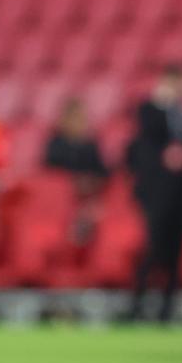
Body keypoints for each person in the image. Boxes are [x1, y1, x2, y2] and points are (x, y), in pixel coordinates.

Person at [126, 63, 182, 322]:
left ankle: (167, 306)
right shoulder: (150, 110)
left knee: (176, 250)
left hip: (178, 192)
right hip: (155, 192)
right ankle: (139, 303)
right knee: (153, 247)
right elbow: (148, 136)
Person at [42, 95, 107, 249]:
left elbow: (102, 171)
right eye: (74, 117)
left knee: (93, 210)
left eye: (81, 117)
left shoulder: (90, 144)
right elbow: (51, 171)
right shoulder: (55, 144)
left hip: (86, 196)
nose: (78, 121)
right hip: (61, 198)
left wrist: (91, 181)